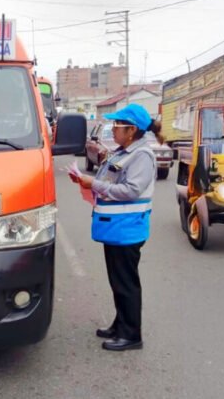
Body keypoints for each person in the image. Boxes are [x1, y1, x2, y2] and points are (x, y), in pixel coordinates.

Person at [70, 103, 159, 351]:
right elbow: (108, 179)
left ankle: (131, 335)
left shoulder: (141, 156)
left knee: (126, 282)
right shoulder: (123, 152)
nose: (113, 130)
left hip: (128, 229)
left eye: (117, 126)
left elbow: (131, 190)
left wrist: (94, 184)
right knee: (117, 280)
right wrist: (86, 181)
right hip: (116, 228)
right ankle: (120, 324)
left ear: (131, 130)